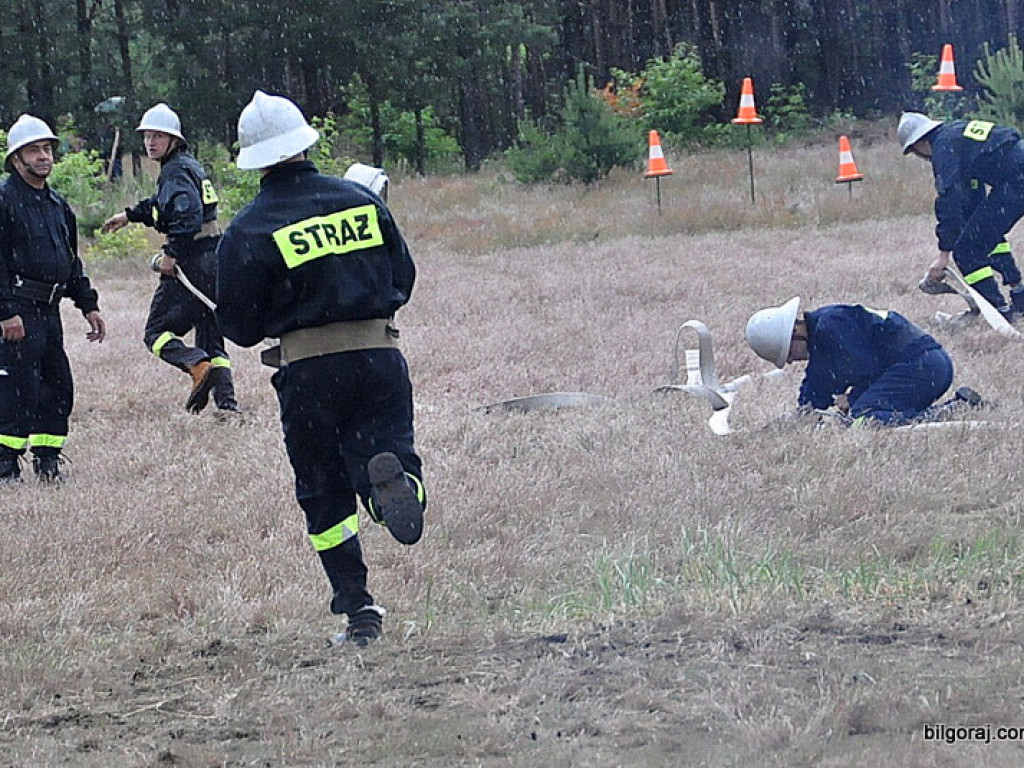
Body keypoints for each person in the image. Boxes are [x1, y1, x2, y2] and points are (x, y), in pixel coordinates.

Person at [215, 91, 426, 645]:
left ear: (254, 160)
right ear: (305, 141)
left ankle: (359, 611)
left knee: (322, 489)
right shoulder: (360, 201)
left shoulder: (248, 230)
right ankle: (396, 489)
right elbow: (402, 278)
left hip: (309, 372)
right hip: (379, 356)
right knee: (390, 449)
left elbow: (238, 328)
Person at [102, 103, 238, 415]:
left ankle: (196, 365)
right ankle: (226, 404)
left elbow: (186, 215)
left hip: (191, 259)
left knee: (155, 334)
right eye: (147, 136)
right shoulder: (187, 166)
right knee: (209, 330)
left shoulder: (174, 171)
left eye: (158, 136)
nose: (150, 142)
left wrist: (170, 253)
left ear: (174, 140)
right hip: (213, 255)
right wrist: (129, 214)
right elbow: (164, 205)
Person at [0, 114, 106, 482]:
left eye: (47, 149)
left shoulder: (57, 205)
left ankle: (48, 461)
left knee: (57, 386)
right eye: (34, 150)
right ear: (16, 159)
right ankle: (5, 465)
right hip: (17, 309)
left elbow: (70, 259)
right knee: (16, 388)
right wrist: (6, 311)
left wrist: (88, 304)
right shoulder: (3, 200)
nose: (44, 156)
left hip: (49, 310)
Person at [745, 297, 958, 425]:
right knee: (864, 412)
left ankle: (947, 412)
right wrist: (801, 416)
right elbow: (817, 387)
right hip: (926, 366)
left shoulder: (832, 326)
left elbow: (867, 368)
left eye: (788, 353)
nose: (791, 361)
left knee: (865, 417)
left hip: (923, 367)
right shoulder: (823, 334)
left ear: (795, 332)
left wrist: (853, 398)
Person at [899, 112, 1024, 321]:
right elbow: (973, 198)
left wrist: (943, 254)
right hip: (1017, 172)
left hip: (1016, 180)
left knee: (967, 251)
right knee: (980, 235)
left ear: (919, 143)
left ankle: (997, 311)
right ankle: (1019, 296)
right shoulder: (956, 134)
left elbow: (949, 198)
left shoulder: (943, 148)